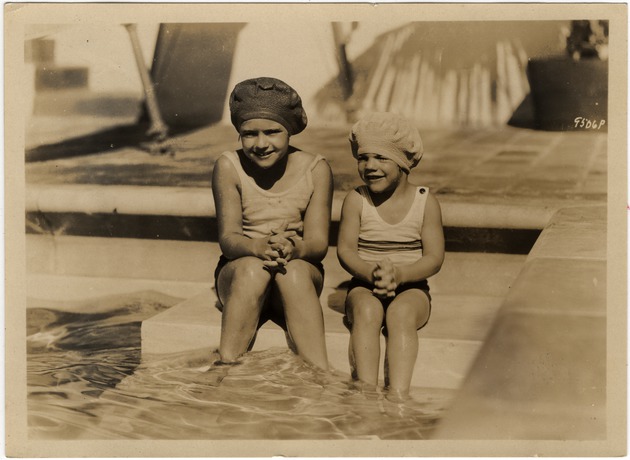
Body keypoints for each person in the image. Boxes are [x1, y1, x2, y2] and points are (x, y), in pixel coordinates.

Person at [212, 77, 332, 370]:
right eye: (249, 134)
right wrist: (257, 246)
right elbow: (228, 239)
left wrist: (294, 248)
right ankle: (226, 365)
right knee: (254, 269)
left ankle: (320, 373)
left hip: (296, 271)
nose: (261, 144)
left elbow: (318, 244)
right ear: (239, 133)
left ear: (289, 131)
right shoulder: (228, 166)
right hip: (241, 272)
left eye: (272, 132)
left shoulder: (316, 169)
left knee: (291, 272)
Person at [336, 112, 444, 401]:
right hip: (364, 284)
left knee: (400, 314)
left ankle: (399, 395)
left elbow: (434, 258)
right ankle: (365, 390)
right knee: (367, 311)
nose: (370, 166)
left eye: (381, 158)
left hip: (412, 288)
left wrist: (401, 275)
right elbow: (345, 250)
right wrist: (370, 273)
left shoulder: (425, 202)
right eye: (363, 158)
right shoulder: (357, 200)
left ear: (404, 163)